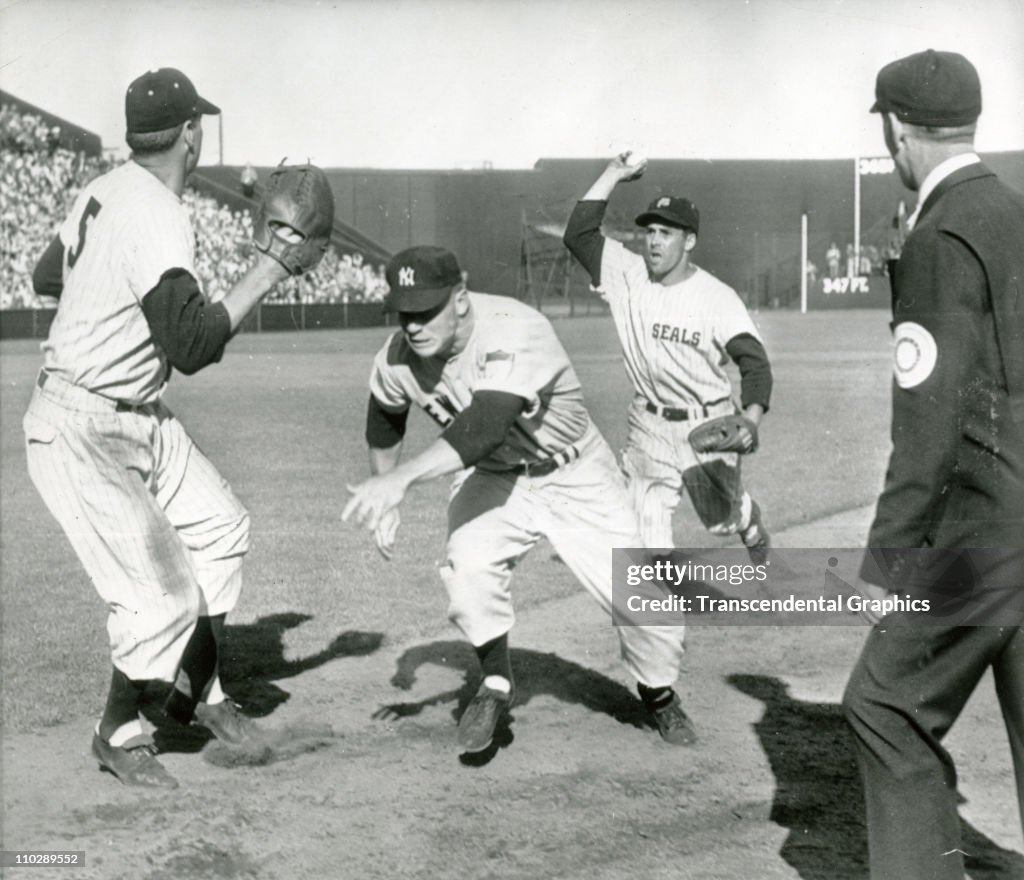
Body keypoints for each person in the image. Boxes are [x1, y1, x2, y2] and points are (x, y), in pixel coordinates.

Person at [23, 68, 295, 788]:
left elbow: (44, 276)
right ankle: (117, 730)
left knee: (221, 526)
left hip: (133, 409)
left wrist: (101, 302)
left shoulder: (102, 190)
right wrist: (267, 269)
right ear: (188, 133)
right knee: (160, 598)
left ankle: (195, 692)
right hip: (84, 425)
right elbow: (193, 345)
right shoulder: (157, 208)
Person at [342, 245, 693, 753]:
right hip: (494, 476)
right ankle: (495, 683)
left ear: (460, 299)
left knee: (643, 604)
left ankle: (658, 693)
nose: (412, 325)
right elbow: (385, 413)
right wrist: (385, 489)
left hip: (574, 473)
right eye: (403, 313)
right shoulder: (398, 357)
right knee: (467, 569)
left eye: (425, 310)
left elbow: (484, 425)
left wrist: (402, 481)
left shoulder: (511, 326)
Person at [841, 49, 1024, 880]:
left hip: (981, 532)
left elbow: (929, 422)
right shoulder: (1014, 213)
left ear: (894, 127)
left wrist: (888, 557)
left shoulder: (939, 234)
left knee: (883, 706)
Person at [562, 158, 773, 562]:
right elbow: (579, 234)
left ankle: (746, 518)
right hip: (649, 426)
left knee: (721, 521)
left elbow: (754, 362)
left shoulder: (716, 297)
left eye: (666, 233)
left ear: (689, 241)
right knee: (647, 537)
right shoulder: (627, 273)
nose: (654, 241)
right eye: (650, 232)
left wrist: (750, 420)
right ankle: (661, 612)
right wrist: (613, 173)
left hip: (709, 424)